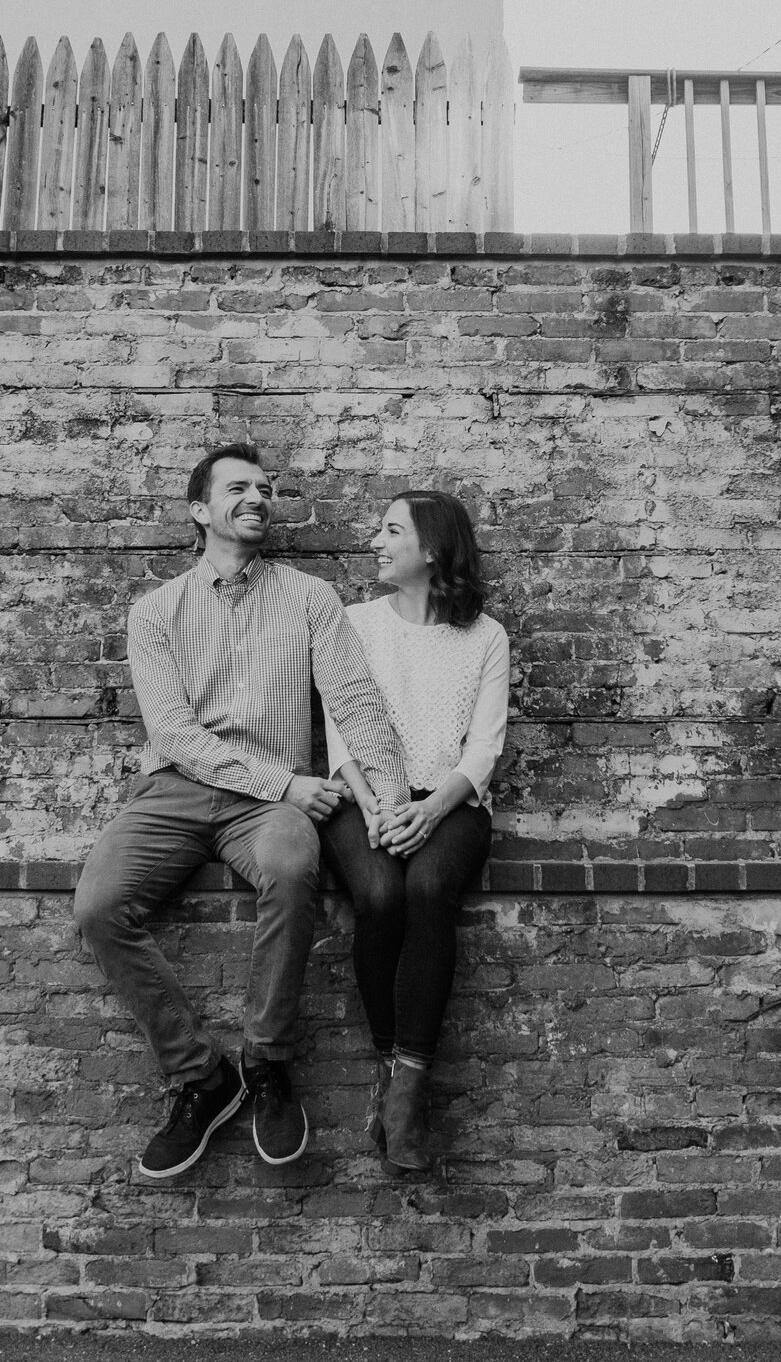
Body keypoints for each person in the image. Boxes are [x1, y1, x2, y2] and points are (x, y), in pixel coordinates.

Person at [75, 442, 410, 1182]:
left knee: (293, 865)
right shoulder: (155, 611)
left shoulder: (310, 598)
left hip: (266, 808)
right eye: (238, 487)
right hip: (178, 788)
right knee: (98, 905)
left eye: (265, 487)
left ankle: (266, 1063)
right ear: (201, 511)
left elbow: (355, 702)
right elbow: (173, 733)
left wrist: (391, 798)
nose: (258, 496)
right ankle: (201, 1075)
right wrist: (286, 784)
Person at [320, 489, 510, 1176]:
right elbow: (340, 731)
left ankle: (405, 1093)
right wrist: (375, 805)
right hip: (362, 795)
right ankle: (393, 1061)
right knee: (380, 895)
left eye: (390, 529)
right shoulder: (353, 623)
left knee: (429, 885)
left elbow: (483, 749)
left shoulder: (486, 637)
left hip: (452, 802)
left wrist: (430, 812)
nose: (376, 539)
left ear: (430, 548)